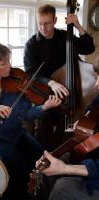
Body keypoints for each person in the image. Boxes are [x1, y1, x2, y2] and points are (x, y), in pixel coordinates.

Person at [0, 42, 62, 200]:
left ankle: (36, 191)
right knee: (15, 162)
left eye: (9, 60)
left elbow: (27, 113)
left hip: (16, 133)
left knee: (41, 155)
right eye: (4, 63)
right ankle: (20, 194)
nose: (9, 66)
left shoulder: (16, 84)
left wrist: (44, 107)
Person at [23, 4, 95, 151]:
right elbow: (30, 73)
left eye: (47, 23)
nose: (43, 28)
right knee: (44, 135)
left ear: (55, 20)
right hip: (45, 95)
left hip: (71, 93)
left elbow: (89, 48)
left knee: (68, 135)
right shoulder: (31, 45)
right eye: (40, 23)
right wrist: (51, 82)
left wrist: (77, 25)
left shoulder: (64, 37)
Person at [29, 55, 99, 200]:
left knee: (62, 187)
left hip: (95, 170)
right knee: (45, 169)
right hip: (91, 154)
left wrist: (66, 168)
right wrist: (82, 121)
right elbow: (93, 110)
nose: (97, 84)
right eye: (97, 76)